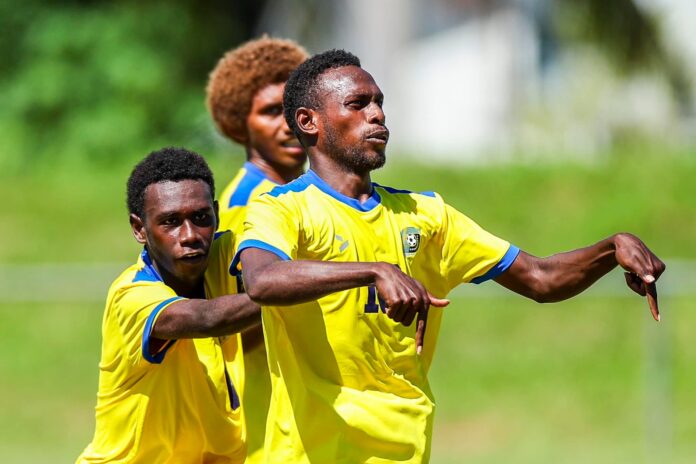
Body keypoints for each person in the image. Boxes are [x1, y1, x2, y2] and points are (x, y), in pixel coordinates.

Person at [235, 50, 665, 463]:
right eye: (358, 103)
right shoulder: (281, 208)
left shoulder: (426, 215)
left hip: (404, 449)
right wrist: (373, 270)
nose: (377, 114)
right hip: (305, 455)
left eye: (380, 103)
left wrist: (610, 248)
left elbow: (541, 278)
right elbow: (263, 281)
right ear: (309, 122)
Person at [77, 147, 260, 463]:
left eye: (201, 218)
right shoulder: (132, 296)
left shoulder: (226, 253)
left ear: (216, 213)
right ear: (139, 228)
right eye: (171, 222)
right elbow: (206, 319)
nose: (190, 235)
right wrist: (283, 291)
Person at [205, 36, 308, 462]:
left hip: (303, 417)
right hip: (263, 422)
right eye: (270, 112)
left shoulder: (300, 199)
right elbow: (227, 326)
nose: (287, 123)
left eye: (293, 108)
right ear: (238, 124)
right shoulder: (244, 206)